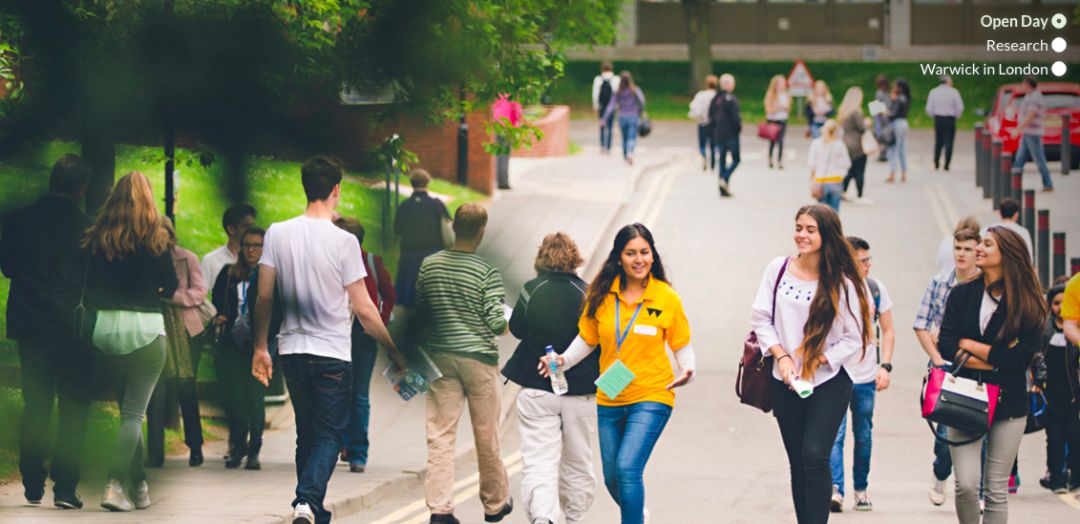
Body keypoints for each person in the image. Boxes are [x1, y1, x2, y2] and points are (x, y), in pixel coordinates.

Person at [251, 156, 405, 524]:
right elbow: (365, 308)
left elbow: (264, 297)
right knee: (332, 437)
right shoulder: (343, 242)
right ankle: (305, 502)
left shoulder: (277, 233)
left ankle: (313, 510)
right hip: (333, 353)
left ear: (306, 187)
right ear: (336, 189)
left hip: (291, 350)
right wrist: (394, 352)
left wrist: (260, 347)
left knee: (307, 433)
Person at [541, 223, 695, 524]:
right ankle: (637, 514)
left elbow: (682, 344)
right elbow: (587, 338)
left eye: (645, 252)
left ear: (653, 256)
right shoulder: (601, 295)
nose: (639, 259)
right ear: (619, 258)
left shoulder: (666, 297)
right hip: (611, 394)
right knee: (613, 478)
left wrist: (687, 367)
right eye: (631, 253)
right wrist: (562, 361)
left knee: (627, 468)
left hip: (652, 393)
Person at [750, 204, 872, 524]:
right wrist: (784, 357)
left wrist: (818, 361)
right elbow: (761, 319)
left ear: (826, 235)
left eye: (810, 230)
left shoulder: (842, 282)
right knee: (797, 462)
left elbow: (854, 338)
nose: (801, 235)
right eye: (799, 228)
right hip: (784, 379)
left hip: (828, 382)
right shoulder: (777, 269)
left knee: (815, 456)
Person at [0, 154, 95, 509]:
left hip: (31, 323)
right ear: (82, 188)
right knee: (74, 406)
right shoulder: (89, 226)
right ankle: (66, 487)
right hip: (73, 327)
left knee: (35, 403)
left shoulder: (18, 220)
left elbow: (7, 267)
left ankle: (32, 479)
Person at [82, 171, 178, 511]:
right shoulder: (156, 236)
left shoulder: (99, 235)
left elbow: (89, 283)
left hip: (106, 329)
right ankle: (114, 484)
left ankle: (138, 487)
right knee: (134, 415)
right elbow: (171, 286)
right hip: (146, 328)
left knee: (128, 413)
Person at [937, 226, 1046, 524]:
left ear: (1007, 255)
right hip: (965, 398)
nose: (979, 249)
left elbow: (1019, 360)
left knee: (996, 489)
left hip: (1009, 404)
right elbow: (946, 345)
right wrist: (996, 358)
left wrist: (971, 346)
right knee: (967, 485)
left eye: (987, 244)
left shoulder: (1028, 302)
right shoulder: (961, 294)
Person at [414, 203, 513, 524]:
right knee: (486, 434)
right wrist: (508, 318)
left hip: (441, 360)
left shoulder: (429, 266)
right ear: (482, 232)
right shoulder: (487, 272)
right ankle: (494, 503)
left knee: (441, 435)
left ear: (453, 227)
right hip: (479, 361)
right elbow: (497, 323)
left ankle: (440, 509)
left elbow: (420, 313)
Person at [502, 232, 599, 524]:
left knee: (539, 462)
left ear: (541, 258)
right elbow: (599, 339)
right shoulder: (589, 293)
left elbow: (517, 329)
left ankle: (543, 517)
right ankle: (574, 518)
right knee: (578, 462)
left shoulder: (532, 289)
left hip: (536, 390)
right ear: (575, 258)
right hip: (580, 393)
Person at [914, 227, 982, 505]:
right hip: (945, 364)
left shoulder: (987, 284)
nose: (961, 254)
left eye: (968, 249)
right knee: (945, 432)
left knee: (981, 426)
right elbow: (921, 323)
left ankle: (979, 490)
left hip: (979, 366)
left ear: (978, 252)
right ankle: (941, 473)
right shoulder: (940, 282)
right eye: (958, 248)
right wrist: (938, 359)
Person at [829, 236, 895, 512]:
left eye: (869, 260)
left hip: (867, 376)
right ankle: (836, 489)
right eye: (862, 260)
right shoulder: (833, 289)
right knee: (836, 435)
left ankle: (861, 488)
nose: (868, 265)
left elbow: (888, 329)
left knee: (864, 435)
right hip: (837, 375)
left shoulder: (875, 289)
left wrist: (885, 366)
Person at [334, 217, 395, 474]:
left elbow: (388, 295)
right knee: (358, 394)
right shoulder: (371, 260)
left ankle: (349, 447)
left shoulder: (364, 261)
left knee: (341, 392)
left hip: (349, 334)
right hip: (364, 334)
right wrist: (380, 322)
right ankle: (356, 452)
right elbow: (390, 295)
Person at [145, 220, 208, 469]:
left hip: (185, 329)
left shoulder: (187, 258)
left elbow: (200, 291)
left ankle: (195, 446)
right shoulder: (147, 258)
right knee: (155, 389)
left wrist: (172, 297)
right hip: (156, 325)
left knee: (186, 387)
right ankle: (155, 452)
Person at [212, 226, 269, 470]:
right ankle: (237, 446)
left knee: (255, 396)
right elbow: (217, 300)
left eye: (257, 246)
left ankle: (255, 449)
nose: (251, 250)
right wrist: (220, 316)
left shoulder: (269, 275)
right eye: (247, 245)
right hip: (231, 343)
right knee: (234, 396)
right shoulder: (229, 273)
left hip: (258, 342)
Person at [1041, 284, 1080, 493]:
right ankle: (1056, 478)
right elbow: (1036, 357)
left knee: (1075, 435)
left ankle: (1076, 478)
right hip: (1051, 394)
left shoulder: (1075, 331)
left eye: (1065, 303)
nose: (1061, 307)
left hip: (1074, 394)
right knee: (1054, 436)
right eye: (1056, 303)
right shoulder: (1045, 330)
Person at [395, 168, 451, 309]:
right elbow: (449, 224)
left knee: (410, 299)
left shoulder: (404, 206)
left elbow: (397, 229)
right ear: (428, 183)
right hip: (434, 255)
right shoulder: (436, 204)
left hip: (409, 254)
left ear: (412, 183)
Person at [1010, 76, 1054, 192]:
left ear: (1028, 85)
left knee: (1039, 159)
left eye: (1023, 84)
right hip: (1028, 132)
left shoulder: (1034, 97)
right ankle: (1013, 182)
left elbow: (1031, 114)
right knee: (1020, 158)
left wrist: (1018, 129)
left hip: (1032, 132)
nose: (1022, 86)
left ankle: (1047, 183)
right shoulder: (1031, 96)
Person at [201, 204, 257, 294]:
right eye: (246, 226)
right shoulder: (211, 260)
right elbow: (200, 296)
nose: (251, 230)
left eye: (253, 226)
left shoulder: (262, 259)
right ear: (231, 229)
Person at [602, 71, 646, 165]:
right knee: (631, 137)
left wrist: (604, 119)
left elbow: (611, 106)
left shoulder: (618, 92)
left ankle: (626, 156)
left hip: (622, 117)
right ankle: (630, 153)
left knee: (624, 138)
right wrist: (639, 111)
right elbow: (642, 102)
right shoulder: (635, 90)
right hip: (633, 116)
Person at [808, 120, 852, 212]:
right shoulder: (839, 144)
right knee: (834, 213)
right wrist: (841, 175)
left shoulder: (816, 143)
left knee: (822, 214)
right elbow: (847, 164)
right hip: (836, 180)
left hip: (820, 181)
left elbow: (811, 164)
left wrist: (812, 179)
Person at [710, 73, 742, 197]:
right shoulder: (732, 99)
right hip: (731, 134)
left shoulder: (716, 98)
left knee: (722, 160)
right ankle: (725, 178)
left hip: (718, 134)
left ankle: (722, 186)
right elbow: (736, 119)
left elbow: (711, 117)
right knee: (736, 159)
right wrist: (738, 129)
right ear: (729, 84)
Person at [838, 87, 871, 205]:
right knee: (859, 171)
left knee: (849, 170)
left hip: (846, 142)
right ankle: (860, 195)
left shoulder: (844, 110)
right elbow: (862, 128)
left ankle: (842, 191)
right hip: (857, 144)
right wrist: (867, 122)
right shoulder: (856, 112)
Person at [926, 75, 964, 171]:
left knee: (938, 141)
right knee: (949, 142)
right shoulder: (954, 92)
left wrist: (934, 116)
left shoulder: (933, 92)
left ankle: (936, 162)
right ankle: (947, 163)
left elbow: (929, 109)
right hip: (950, 119)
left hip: (938, 119)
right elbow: (960, 107)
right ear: (948, 82)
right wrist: (956, 116)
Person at [983, 197, 1033, 262]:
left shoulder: (987, 230)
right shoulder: (1023, 232)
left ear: (1000, 213)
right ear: (1016, 215)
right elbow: (1029, 257)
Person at [688, 74, 717, 171]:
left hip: (703, 123)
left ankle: (704, 155)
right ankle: (712, 163)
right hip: (714, 124)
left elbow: (693, 107)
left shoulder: (701, 95)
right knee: (713, 145)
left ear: (706, 84)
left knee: (702, 144)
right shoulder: (717, 96)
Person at [885, 79, 911, 183]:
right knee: (902, 150)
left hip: (897, 124)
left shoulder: (898, 99)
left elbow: (893, 114)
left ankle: (892, 173)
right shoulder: (906, 98)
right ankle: (904, 173)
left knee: (893, 149)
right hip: (904, 123)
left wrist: (886, 112)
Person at [765, 74, 792, 170]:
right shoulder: (771, 94)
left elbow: (788, 108)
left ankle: (780, 160)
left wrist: (779, 107)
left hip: (782, 119)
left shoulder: (786, 95)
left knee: (781, 140)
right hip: (773, 120)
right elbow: (769, 109)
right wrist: (779, 107)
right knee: (772, 140)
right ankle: (770, 158)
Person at [593, 61, 620, 155]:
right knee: (610, 126)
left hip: (602, 106)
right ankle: (608, 147)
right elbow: (617, 93)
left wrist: (596, 106)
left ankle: (602, 146)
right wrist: (617, 105)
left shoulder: (598, 79)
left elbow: (595, 93)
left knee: (602, 126)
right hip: (612, 106)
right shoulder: (616, 79)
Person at [873, 75, 890, 163]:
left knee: (883, 136)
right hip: (883, 118)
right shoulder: (883, 93)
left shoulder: (882, 93)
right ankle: (882, 154)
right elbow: (877, 106)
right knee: (882, 136)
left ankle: (883, 154)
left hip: (883, 118)